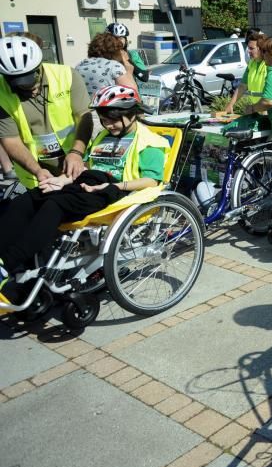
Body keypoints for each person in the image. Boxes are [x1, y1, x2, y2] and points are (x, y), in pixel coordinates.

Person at [0, 85, 169, 305]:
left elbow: (152, 180)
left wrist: (118, 186)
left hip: (115, 191)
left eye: (113, 120)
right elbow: (88, 165)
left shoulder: (150, 142)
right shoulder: (103, 137)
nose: (108, 125)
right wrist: (63, 179)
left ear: (131, 114)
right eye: (104, 120)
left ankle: (7, 265)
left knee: (54, 205)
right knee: (32, 197)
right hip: (86, 182)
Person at [0, 36, 93, 188]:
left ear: (39, 66)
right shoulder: (1, 93)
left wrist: (77, 152)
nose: (27, 87)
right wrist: (38, 171)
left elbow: (84, 116)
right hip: (37, 172)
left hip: (78, 161)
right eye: (18, 83)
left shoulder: (66, 75)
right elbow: (11, 141)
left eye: (30, 79)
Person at [75, 32, 138, 97]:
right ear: (115, 50)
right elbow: (132, 94)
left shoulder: (80, 66)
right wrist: (129, 73)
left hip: (85, 106)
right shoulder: (114, 67)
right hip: (105, 106)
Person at [224, 31, 267, 114]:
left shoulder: (269, 64)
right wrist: (230, 105)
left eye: (251, 48)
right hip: (257, 109)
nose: (248, 51)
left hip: (268, 110)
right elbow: (242, 86)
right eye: (248, 48)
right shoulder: (252, 63)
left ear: (260, 48)